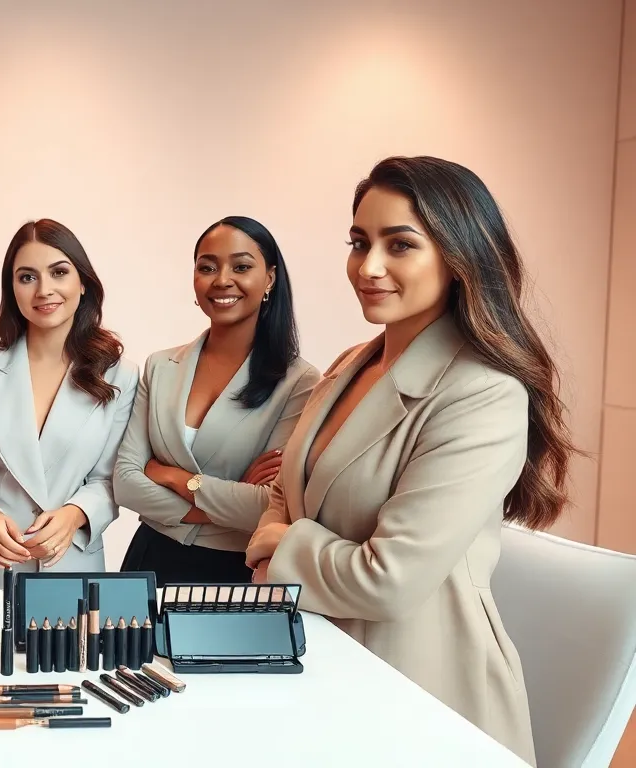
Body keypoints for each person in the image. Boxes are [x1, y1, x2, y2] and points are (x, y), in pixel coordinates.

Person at [245, 156, 576, 766]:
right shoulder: (351, 364)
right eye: (359, 242)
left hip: (420, 696)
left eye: (400, 245)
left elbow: (387, 579)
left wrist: (279, 547)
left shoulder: (483, 394)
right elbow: (287, 491)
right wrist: (281, 531)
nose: (368, 267)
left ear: (458, 257)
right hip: (319, 660)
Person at [113, 216, 318, 583]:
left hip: (233, 569)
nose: (222, 279)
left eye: (241, 266)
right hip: (148, 558)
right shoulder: (160, 366)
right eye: (207, 267)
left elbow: (267, 504)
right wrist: (222, 502)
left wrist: (175, 477)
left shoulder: (299, 382)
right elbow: (126, 481)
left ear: (269, 278)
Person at [0, 219, 136, 584]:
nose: (44, 290)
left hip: (72, 562)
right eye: (27, 277)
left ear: (83, 283)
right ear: (12, 289)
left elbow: (111, 477)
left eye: (59, 272)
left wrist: (75, 513)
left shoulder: (119, 375)